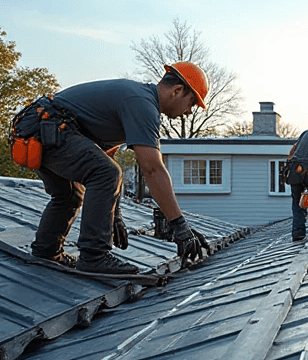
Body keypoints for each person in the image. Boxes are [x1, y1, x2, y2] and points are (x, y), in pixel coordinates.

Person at [20, 62, 211, 274]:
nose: (188, 112)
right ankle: (94, 256)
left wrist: (114, 213)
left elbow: (104, 157)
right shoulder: (143, 105)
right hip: (46, 128)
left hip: (39, 129)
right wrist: (180, 227)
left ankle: (46, 250)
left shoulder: (136, 99)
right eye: (191, 103)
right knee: (105, 173)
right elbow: (152, 169)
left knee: (70, 194)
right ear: (177, 91)